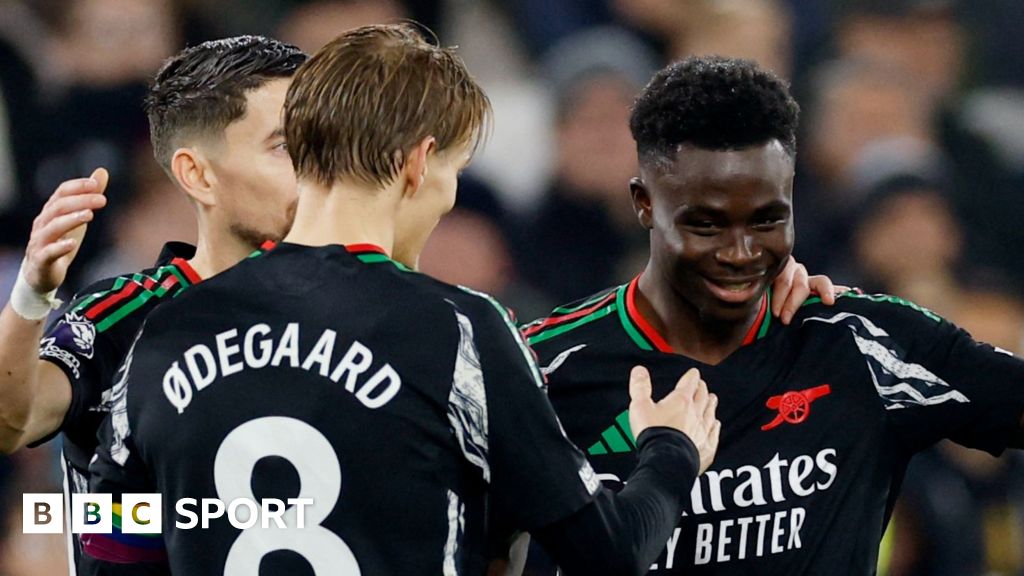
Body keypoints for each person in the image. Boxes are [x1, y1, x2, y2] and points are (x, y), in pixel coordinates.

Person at [83, 24, 721, 575]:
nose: (447, 199)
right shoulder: (458, 330)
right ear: (420, 163)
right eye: (454, 173)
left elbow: (110, 549)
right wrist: (670, 450)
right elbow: (607, 552)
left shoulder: (161, 331)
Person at [520, 55, 1024, 575]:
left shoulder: (857, 341)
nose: (741, 252)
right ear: (644, 203)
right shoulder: (545, 370)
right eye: (707, 225)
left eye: (767, 220)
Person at [0, 35, 306, 572]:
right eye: (284, 147)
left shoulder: (365, 314)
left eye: (321, 143)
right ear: (198, 175)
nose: (317, 169)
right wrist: (31, 294)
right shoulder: (122, 318)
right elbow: (10, 424)